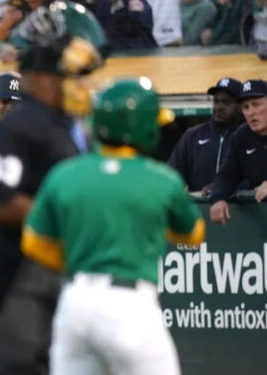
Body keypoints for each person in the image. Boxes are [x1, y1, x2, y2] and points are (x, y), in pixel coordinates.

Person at [0, 3, 107, 374]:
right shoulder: (22, 124)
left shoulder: (63, 123)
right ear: (45, 71)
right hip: (9, 281)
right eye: (75, 74)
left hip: (45, 276)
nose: (83, 84)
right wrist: (73, 219)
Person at [22, 77, 204, 375]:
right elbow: (194, 233)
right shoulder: (160, 178)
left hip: (74, 304)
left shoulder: (64, 174)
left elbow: (34, 244)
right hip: (129, 305)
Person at [168, 77, 243, 193]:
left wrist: (223, 187)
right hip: (201, 209)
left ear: (240, 106)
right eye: (216, 101)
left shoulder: (249, 135)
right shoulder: (192, 135)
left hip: (245, 209)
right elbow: (172, 175)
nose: (219, 107)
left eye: (226, 102)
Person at [209, 79, 267, 225]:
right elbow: (227, 174)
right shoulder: (241, 136)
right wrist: (218, 198)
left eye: (256, 104)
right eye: (246, 107)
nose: (251, 112)